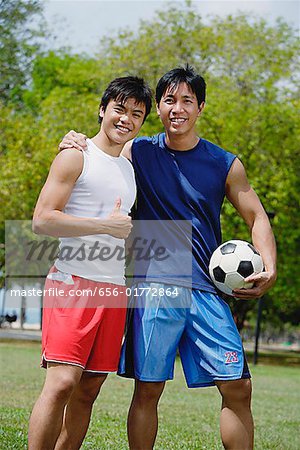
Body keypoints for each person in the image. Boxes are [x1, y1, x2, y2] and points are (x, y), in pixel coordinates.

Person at [60, 65, 277, 450]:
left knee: (238, 386)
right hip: (154, 286)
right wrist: (76, 140)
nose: (178, 108)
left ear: (201, 107)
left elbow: (256, 216)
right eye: (169, 100)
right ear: (158, 108)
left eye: (187, 101)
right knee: (148, 389)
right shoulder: (138, 151)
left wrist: (270, 268)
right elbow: (101, 151)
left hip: (207, 289)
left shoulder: (224, 163)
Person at [28, 76, 152, 450]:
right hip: (73, 283)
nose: (126, 119)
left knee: (89, 389)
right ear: (102, 109)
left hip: (113, 290)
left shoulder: (129, 167)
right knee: (62, 382)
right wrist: (105, 226)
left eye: (136, 113)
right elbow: (42, 219)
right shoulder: (75, 155)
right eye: (119, 109)